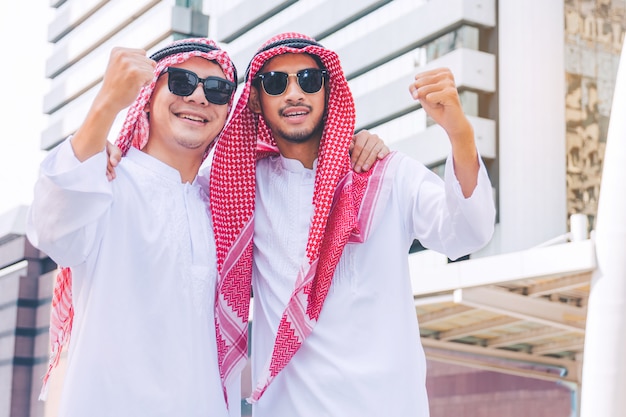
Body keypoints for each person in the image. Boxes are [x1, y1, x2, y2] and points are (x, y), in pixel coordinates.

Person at [26, 37, 387, 417]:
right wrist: (106, 105)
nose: (199, 98)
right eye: (182, 82)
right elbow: (52, 229)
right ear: (147, 96)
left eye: (217, 90)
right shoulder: (108, 182)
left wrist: (356, 144)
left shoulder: (226, 208)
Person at [211, 33, 496, 417]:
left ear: (329, 91)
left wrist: (459, 134)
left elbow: (467, 233)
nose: (294, 93)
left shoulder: (385, 175)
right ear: (257, 102)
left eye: (309, 81)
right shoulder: (243, 189)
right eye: (276, 83)